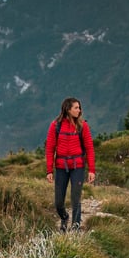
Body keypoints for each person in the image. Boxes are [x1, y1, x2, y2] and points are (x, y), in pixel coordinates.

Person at [44, 97, 96, 232]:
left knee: (75, 198)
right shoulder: (55, 125)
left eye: (79, 108)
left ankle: (75, 227)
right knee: (58, 202)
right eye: (76, 108)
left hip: (78, 166)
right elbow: (50, 148)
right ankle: (64, 217)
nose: (79, 110)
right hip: (61, 167)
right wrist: (49, 170)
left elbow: (90, 148)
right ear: (68, 109)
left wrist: (91, 170)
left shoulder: (82, 126)